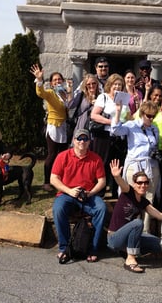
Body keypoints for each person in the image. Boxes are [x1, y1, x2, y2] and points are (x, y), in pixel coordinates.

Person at [50, 129, 107, 263]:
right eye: (79, 138)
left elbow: (102, 181)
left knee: (101, 209)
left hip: (88, 195)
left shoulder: (96, 158)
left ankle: (92, 248)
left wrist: (91, 193)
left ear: (89, 142)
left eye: (85, 139)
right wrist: (69, 191)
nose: (82, 141)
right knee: (58, 209)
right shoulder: (62, 156)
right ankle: (64, 248)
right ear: (74, 140)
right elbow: (54, 179)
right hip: (67, 193)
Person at [107, 159, 162, 273]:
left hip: (129, 237)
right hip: (114, 238)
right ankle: (130, 259)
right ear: (134, 184)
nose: (142, 185)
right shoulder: (128, 192)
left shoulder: (144, 202)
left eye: (145, 183)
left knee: (160, 244)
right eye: (139, 183)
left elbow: (159, 215)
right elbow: (122, 183)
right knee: (138, 223)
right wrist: (117, 176)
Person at [110, 100, 161, 233]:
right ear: (142, 114)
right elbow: (115, 130)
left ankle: (145, 231)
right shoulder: (131, 125)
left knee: (149, 197)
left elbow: (154, 146)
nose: (151, 119)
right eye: (148, 116)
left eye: (153, 116)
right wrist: (118, 111)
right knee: (131, 196)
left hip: (150, 165)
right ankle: (129, 231)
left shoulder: (154, 128)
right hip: (134, 164)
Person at [31, 64, 69, 192]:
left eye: (59, 79)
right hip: (53, 126)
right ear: (52, 84)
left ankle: (61, 180)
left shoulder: (65, 94)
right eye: (55, 80)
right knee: (52, 155)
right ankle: (47, 182)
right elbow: (40, 92)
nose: (57, 81)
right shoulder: (50, 94)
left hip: (64, 127)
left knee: (63, 155)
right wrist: (40, 80)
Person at [67, 73, 100, 146]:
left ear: (97, 84)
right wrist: (69, 90)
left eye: (93, 83)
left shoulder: (101, 95)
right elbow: (70, 105)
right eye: (88, 84)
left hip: (95, 127)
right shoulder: (81, 94)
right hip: (82, 124)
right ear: (85, 85)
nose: (91, 86)